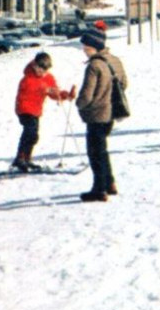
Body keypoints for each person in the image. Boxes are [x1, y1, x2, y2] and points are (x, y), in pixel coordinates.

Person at [74, 27, 128, 202]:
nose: (84, 50)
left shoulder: (94, 65)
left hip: (97, 113)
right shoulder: (114, 60)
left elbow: (86, 94)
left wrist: (79, 104)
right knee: (102, 150)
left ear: (94, 46)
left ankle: (99, 189)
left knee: (95, 152)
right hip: (112, 111)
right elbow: (124, 84)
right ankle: (110, 182)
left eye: (86, 47)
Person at [12, 52, 74, 172]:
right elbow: (32, 88)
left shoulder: (48, 78)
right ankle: (19, 159)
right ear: (34, 65)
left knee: (34, 136)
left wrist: (64, 95)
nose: (41, 72)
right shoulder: (27, 77)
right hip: (24, 109)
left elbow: (54, 92)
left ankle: (27, 159)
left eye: (44, 70)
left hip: (36, 110)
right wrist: (46, 89)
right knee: (30, 133)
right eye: (39, 69)